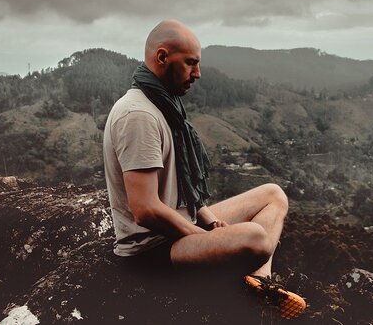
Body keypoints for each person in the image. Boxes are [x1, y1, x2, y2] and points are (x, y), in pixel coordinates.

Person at [102, 20, 306, 319]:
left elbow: (180, 188)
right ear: (162, 57)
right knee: (256, 238)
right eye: (190, 63)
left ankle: (258, 285)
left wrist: (210, 221)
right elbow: (145, 209)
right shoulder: (138, 115)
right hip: (153, 251)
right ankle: (248, 287)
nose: (197, 73)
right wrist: (201, 235)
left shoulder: (164, 107)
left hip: (180, 228)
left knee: (273, 195)